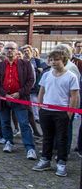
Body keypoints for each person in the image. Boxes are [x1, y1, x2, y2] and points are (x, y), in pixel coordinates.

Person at [32, 49, 79, 177]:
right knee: (47, 137)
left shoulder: (71, 76)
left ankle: (61, 163)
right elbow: (41, 91)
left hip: (62, 112)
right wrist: (41, 108)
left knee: (62, 138)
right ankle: (45, 160)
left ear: (63, 60)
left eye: (56, 59)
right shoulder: (47, 74)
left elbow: (74, 96)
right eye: (51, 60)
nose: (53, 62)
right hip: (46, 112)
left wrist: (69, 113)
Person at [0, 41, 37, 160]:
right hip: (3, 98)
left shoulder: (25, 64)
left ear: (17, 51)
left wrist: (19, 93)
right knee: (5, 122)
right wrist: (4, 94)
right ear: (4, 51)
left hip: (20, 99)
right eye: (7, 48)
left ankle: (30, 148)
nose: (10, 50)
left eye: (12, 48)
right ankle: (8, 142)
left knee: (24, 123)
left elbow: (30, 81)